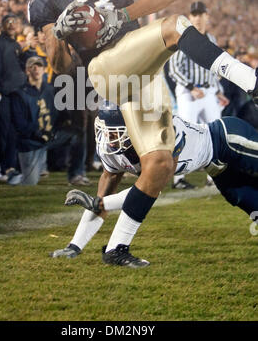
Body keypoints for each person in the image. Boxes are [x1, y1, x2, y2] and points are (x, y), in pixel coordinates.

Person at [29, 0, 258, 267]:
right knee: (173, 26)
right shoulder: (44, 1)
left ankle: (116, 249)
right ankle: (251, 81)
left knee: (159, 164)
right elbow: (61, 66)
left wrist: (118, 16)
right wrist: (58, 34)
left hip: (141, 73)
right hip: (104, 68)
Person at [51, 101, 258, 267]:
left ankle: (117, 249)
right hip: (217, 168)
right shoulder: (112, 150)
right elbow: (103, 200)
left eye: (114, 133)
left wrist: (99, 203)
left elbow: (148, 189)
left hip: (226, 140)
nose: (109, 139)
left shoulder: (162, 135)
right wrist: (74, 246)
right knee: (250, 204)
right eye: (105, 132)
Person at [168, 1, 229, 189]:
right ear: (190, 17)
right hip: (188, 92)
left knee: (216, 132)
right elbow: (173, 69)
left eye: (200, 14)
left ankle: (214, 177)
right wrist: (190, 87)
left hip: (208, 91)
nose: (197, 18)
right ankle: (178, 179)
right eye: (194, 15)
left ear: (206, 16)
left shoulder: (210, 38)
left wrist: (218, 91)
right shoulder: (184, 37)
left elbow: (212, 69)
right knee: (184, 133)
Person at [0, 13, 26, 180]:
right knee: (1, 134)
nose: (11, 25)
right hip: (3, 95)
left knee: (13, 132)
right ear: (2, 26)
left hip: (17, 95)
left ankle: (10, 167)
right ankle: (0, 169)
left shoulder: (16, 45)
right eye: (7, 22)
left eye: (14, 22)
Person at [10, 57, 57, 185]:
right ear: (27, 71)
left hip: (46, 141)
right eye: (32, 66)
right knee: (30, 182)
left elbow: (55, 114)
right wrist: (39, 133)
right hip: (29, 143)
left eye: (39, 66)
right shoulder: (19, 94)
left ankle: (74, 171)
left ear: (44, 69)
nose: (36, 69)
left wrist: (53, 131)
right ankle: (13, 176)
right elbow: (20, 124)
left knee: (75, 134)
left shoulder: (50, 90)